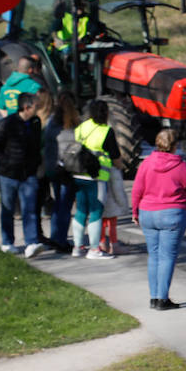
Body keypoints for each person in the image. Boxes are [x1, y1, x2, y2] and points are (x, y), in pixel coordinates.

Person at [131, 128, 186, 310]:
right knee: (167, 256)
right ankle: (163, 298)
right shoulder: (180, 165)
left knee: (154, 256)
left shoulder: (146, 163)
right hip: (172, 213)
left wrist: (135, 212)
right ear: (175, 145)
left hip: (148, 212)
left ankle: (154, 297)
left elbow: (137, 189)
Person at [0, 92, 44, 257]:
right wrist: (6, 162)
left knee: (30, 209)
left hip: (28, 174)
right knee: (8, 209)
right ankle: (7, 242)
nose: (38, 109)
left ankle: (31, 242)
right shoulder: (8, 124)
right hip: (9, 175)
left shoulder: (35, 122)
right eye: (35, 106)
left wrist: (35, 164)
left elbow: (36, 146)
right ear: (26, 107)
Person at [70, 98, 120, 259]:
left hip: (77, 173)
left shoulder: (81, 128)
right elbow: (116, 157)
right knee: (96, 212)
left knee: (80, 211)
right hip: (97, 177)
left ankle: (77, 247)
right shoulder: (106, 131)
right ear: (106, 113)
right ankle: (94, 250)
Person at [41, 92, 79, 253]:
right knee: (65, 206)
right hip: (68, 170)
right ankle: (60, 239)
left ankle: (55, 236)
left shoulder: (51, 124)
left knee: (58, 204)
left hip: (52, 169)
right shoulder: (74, 127)